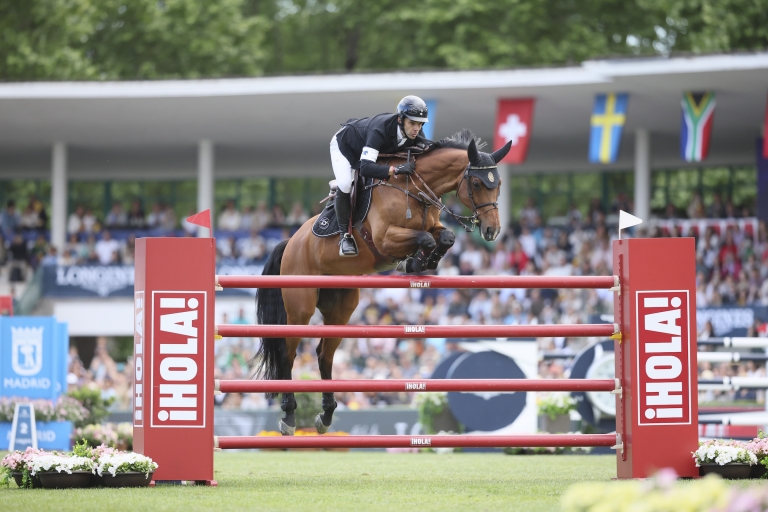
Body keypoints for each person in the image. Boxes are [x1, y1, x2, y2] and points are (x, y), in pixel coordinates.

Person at [330, 95, 429, 257]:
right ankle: (345, 237)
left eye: (420, 124)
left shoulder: (414, 132)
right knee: (346, 183)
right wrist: (396, 169)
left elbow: (428, 151)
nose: (416, 129)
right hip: (345, 147)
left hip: (366, 151)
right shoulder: (380, 129)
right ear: (400, 119)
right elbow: (365, 167)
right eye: (412, 123)